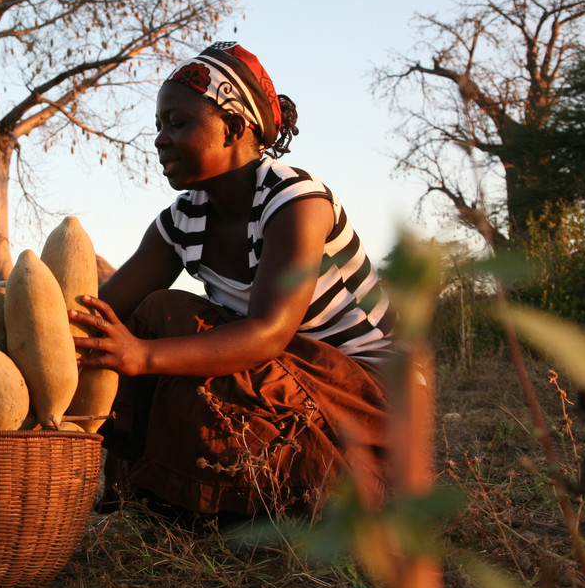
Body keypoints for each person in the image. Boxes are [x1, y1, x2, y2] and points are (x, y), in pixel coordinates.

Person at [70, 42, 395, 523]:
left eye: (177, 123)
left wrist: (143, 356)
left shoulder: (295, 201)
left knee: (164, 318)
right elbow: (94, 312)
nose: (160, 140)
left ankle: (346, 489)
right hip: (280, 385)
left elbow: (268, 332)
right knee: (126, 327)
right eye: (158, 127)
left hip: (364, 400)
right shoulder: (182, 221)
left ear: (234, 128)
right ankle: (150, 497)